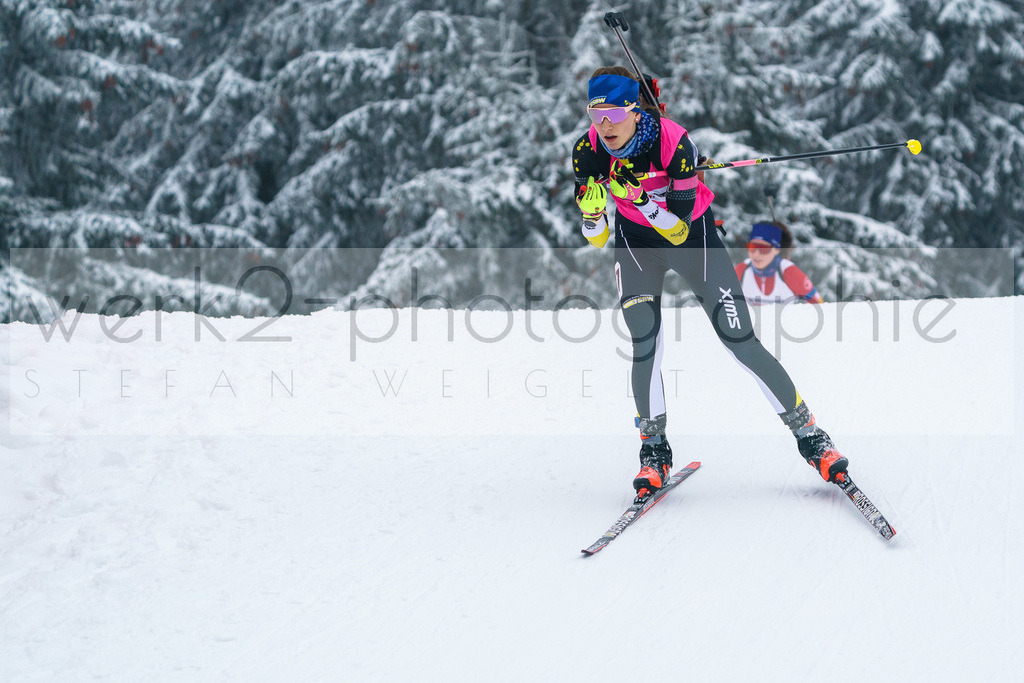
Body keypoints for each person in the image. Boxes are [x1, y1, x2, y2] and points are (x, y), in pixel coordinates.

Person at [571, 67, 847, 498]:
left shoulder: (673, 142)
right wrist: (592, 216)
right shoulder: (587, 151)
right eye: (594, 112)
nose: (603, 124)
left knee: (741, 341)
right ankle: (654, 452)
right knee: (644, 343)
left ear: (632, 108)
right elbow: (597, 237)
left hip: (690, 237)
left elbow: (678, 229)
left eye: (611, 111)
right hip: (635, 244)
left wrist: (643, 199)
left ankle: (813, 438)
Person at [736, 221, 824, 305]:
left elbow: (819, 304)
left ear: (777, 249)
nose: (756, 254)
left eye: (763, 249)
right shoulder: (742, 270)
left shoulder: (789, 272)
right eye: (752, 247)